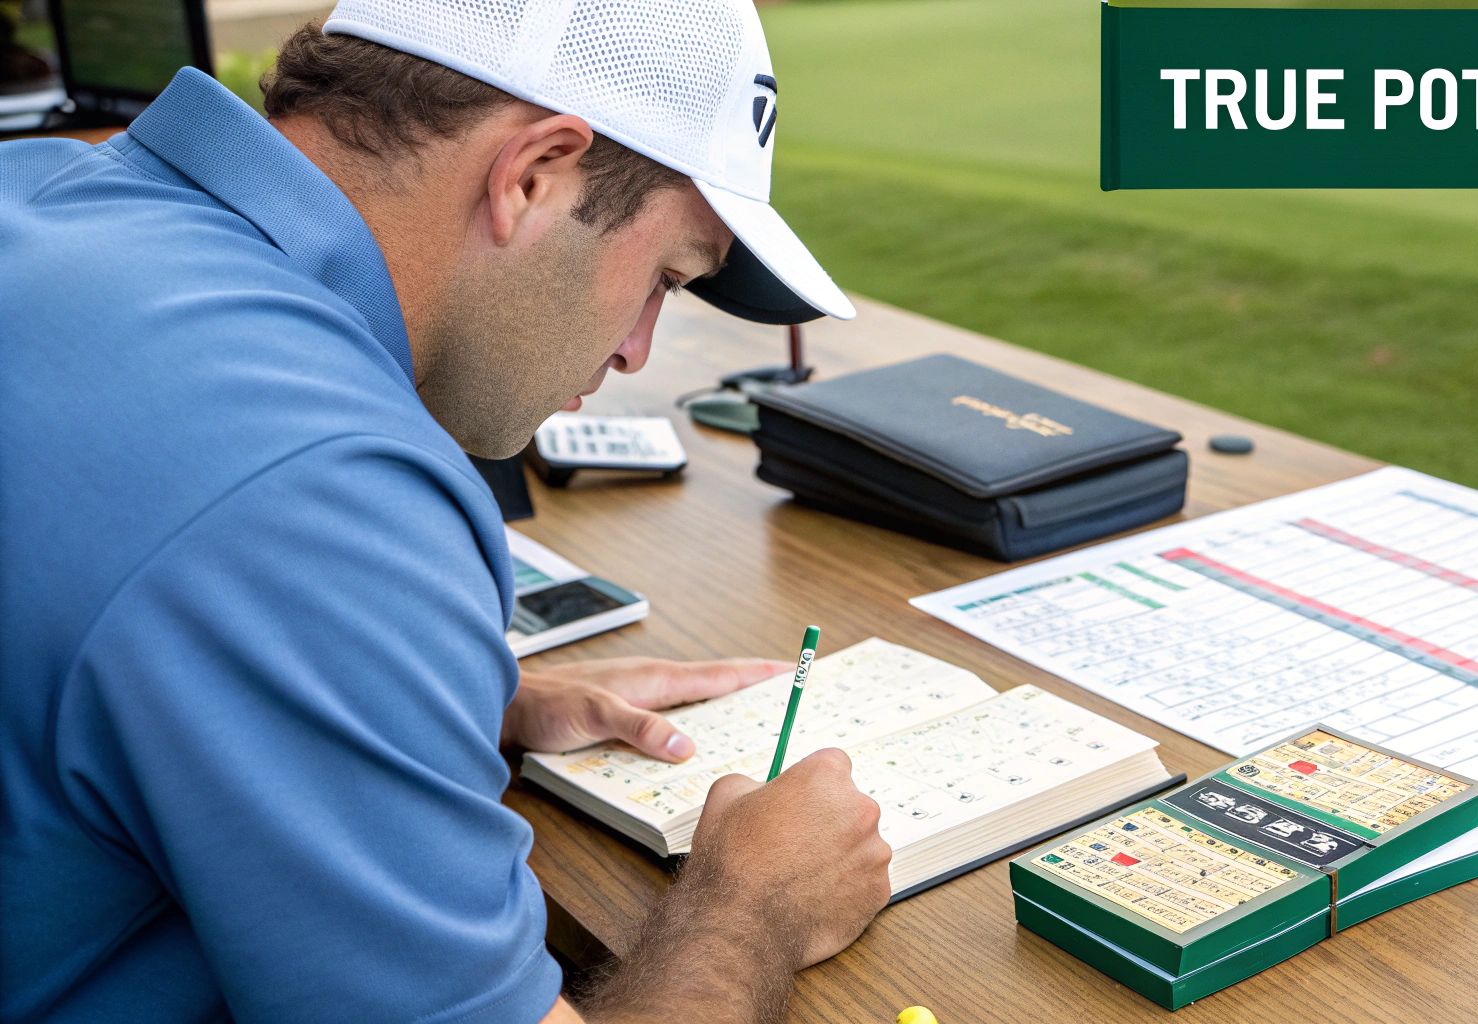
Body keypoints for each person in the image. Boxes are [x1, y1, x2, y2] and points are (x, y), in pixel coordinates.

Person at [0, 2, 890, 1022]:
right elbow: (255, 534)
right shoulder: (325, 491)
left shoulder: (38, 185)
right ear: (532, 175)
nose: (637, 348)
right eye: (664, 277)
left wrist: (422, 703)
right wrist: (757, 903)